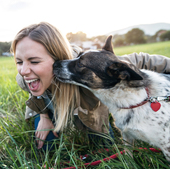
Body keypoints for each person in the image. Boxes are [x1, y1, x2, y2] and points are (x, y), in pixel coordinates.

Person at [11, 22, 170, 150]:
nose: (24, 70)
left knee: (103, 146)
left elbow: (140, 60)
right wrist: (44, 117)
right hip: (54, 107)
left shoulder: (87, 67)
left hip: (88, 113)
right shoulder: (25, 78)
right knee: (46, 148)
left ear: (57, 57)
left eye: (34, 61)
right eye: (19, 62)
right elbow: (36, 95)